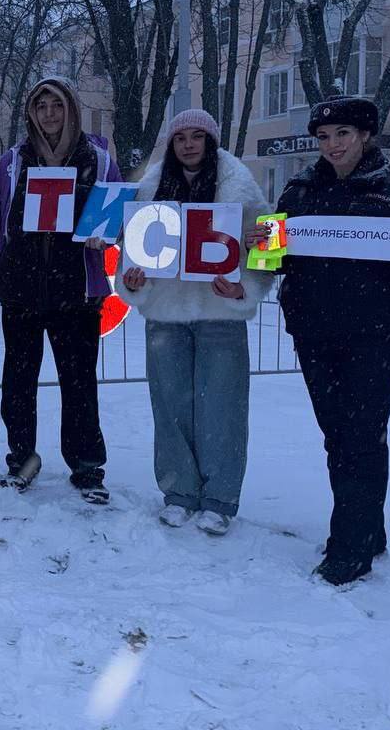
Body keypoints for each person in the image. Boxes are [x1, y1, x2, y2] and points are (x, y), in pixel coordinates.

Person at [267, 96, 390, 585]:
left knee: (360, 435)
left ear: (364, 136)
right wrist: (263, 249)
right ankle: (368, 529)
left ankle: (350, 546)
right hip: (313, 333)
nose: (332, 145)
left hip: (373, 335)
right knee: (337, 434)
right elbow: (274, 261)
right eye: (323, 137)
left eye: (342, 134)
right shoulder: (297, 192)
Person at [118, 109, 273, 534]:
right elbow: (135, 249)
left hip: (220, 313)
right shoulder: (150, 188)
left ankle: (220, 498)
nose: (188, 144)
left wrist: (245, 288)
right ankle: (179, 492)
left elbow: (268, 243)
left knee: (222, 409)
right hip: (165, 314)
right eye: (180, 137)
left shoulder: (240, 186)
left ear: (211, 141)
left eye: (197, 136)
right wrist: (133, 280)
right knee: (169, 408)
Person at [0, 77, 120, 504]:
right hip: (22, 290)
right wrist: (5, 256)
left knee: (78, 383)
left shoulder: (96, 157)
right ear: (31, 113)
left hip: (77, 291)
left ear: (70, 110)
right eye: (40, 106)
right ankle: (21, 459)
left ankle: (86, 467)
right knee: (18, 382)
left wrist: (106, 234)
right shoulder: (13, 160)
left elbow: (115, 212)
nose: (48, 115)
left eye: (56, 106)